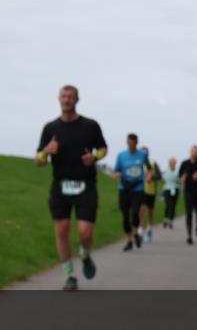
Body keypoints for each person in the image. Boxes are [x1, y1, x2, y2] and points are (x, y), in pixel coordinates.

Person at [36, 85, 108, 291]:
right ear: (59, 99)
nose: (66, 100)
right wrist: (46, 152)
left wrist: (94, 157)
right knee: (62, 230)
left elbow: (103, 148)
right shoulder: (50, 129)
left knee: (85, 233)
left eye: (70, 97)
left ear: (77, 100)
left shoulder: (90, 126)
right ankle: (70, 275)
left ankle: (84, 255)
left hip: (86, 185)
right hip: (60, 185)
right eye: (63, 96)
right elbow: (38, 161)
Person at [114, 134, 149, 251]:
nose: (131, 146)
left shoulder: (142, 156)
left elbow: (149, 169)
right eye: (129, 143)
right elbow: (116, 170)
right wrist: (117, 174)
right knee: (125, 215)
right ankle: (130, 239)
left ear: (136, 143)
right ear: (127, 143)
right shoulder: (121, 156)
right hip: (124, 187)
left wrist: (148, 176)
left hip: (138, 187)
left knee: (135, 212)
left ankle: (135, 233)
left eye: (133, 144)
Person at [139, 146, 162, 242]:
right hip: (140, 190)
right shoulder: (137, 163)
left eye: (145, 154)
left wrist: (152, 177)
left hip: (151, 191)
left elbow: (159, 176)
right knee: (141, 209)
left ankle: (149, 230)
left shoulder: (153, 163)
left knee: (150, 212)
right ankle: (140, 229)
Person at [160, 157, 180, 229]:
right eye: (171, 162)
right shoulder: (165, 170)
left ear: (175, 163)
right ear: (169, 163)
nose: (172, 163)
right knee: (168, 205)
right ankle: (165, 219)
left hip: (175, 189)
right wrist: (163, 180)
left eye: (173, 162)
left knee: (173, 206)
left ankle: (170, 221)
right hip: (167, 189)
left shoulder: (178, 170)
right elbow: (161, 177)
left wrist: (179, 180)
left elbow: (180, 179)